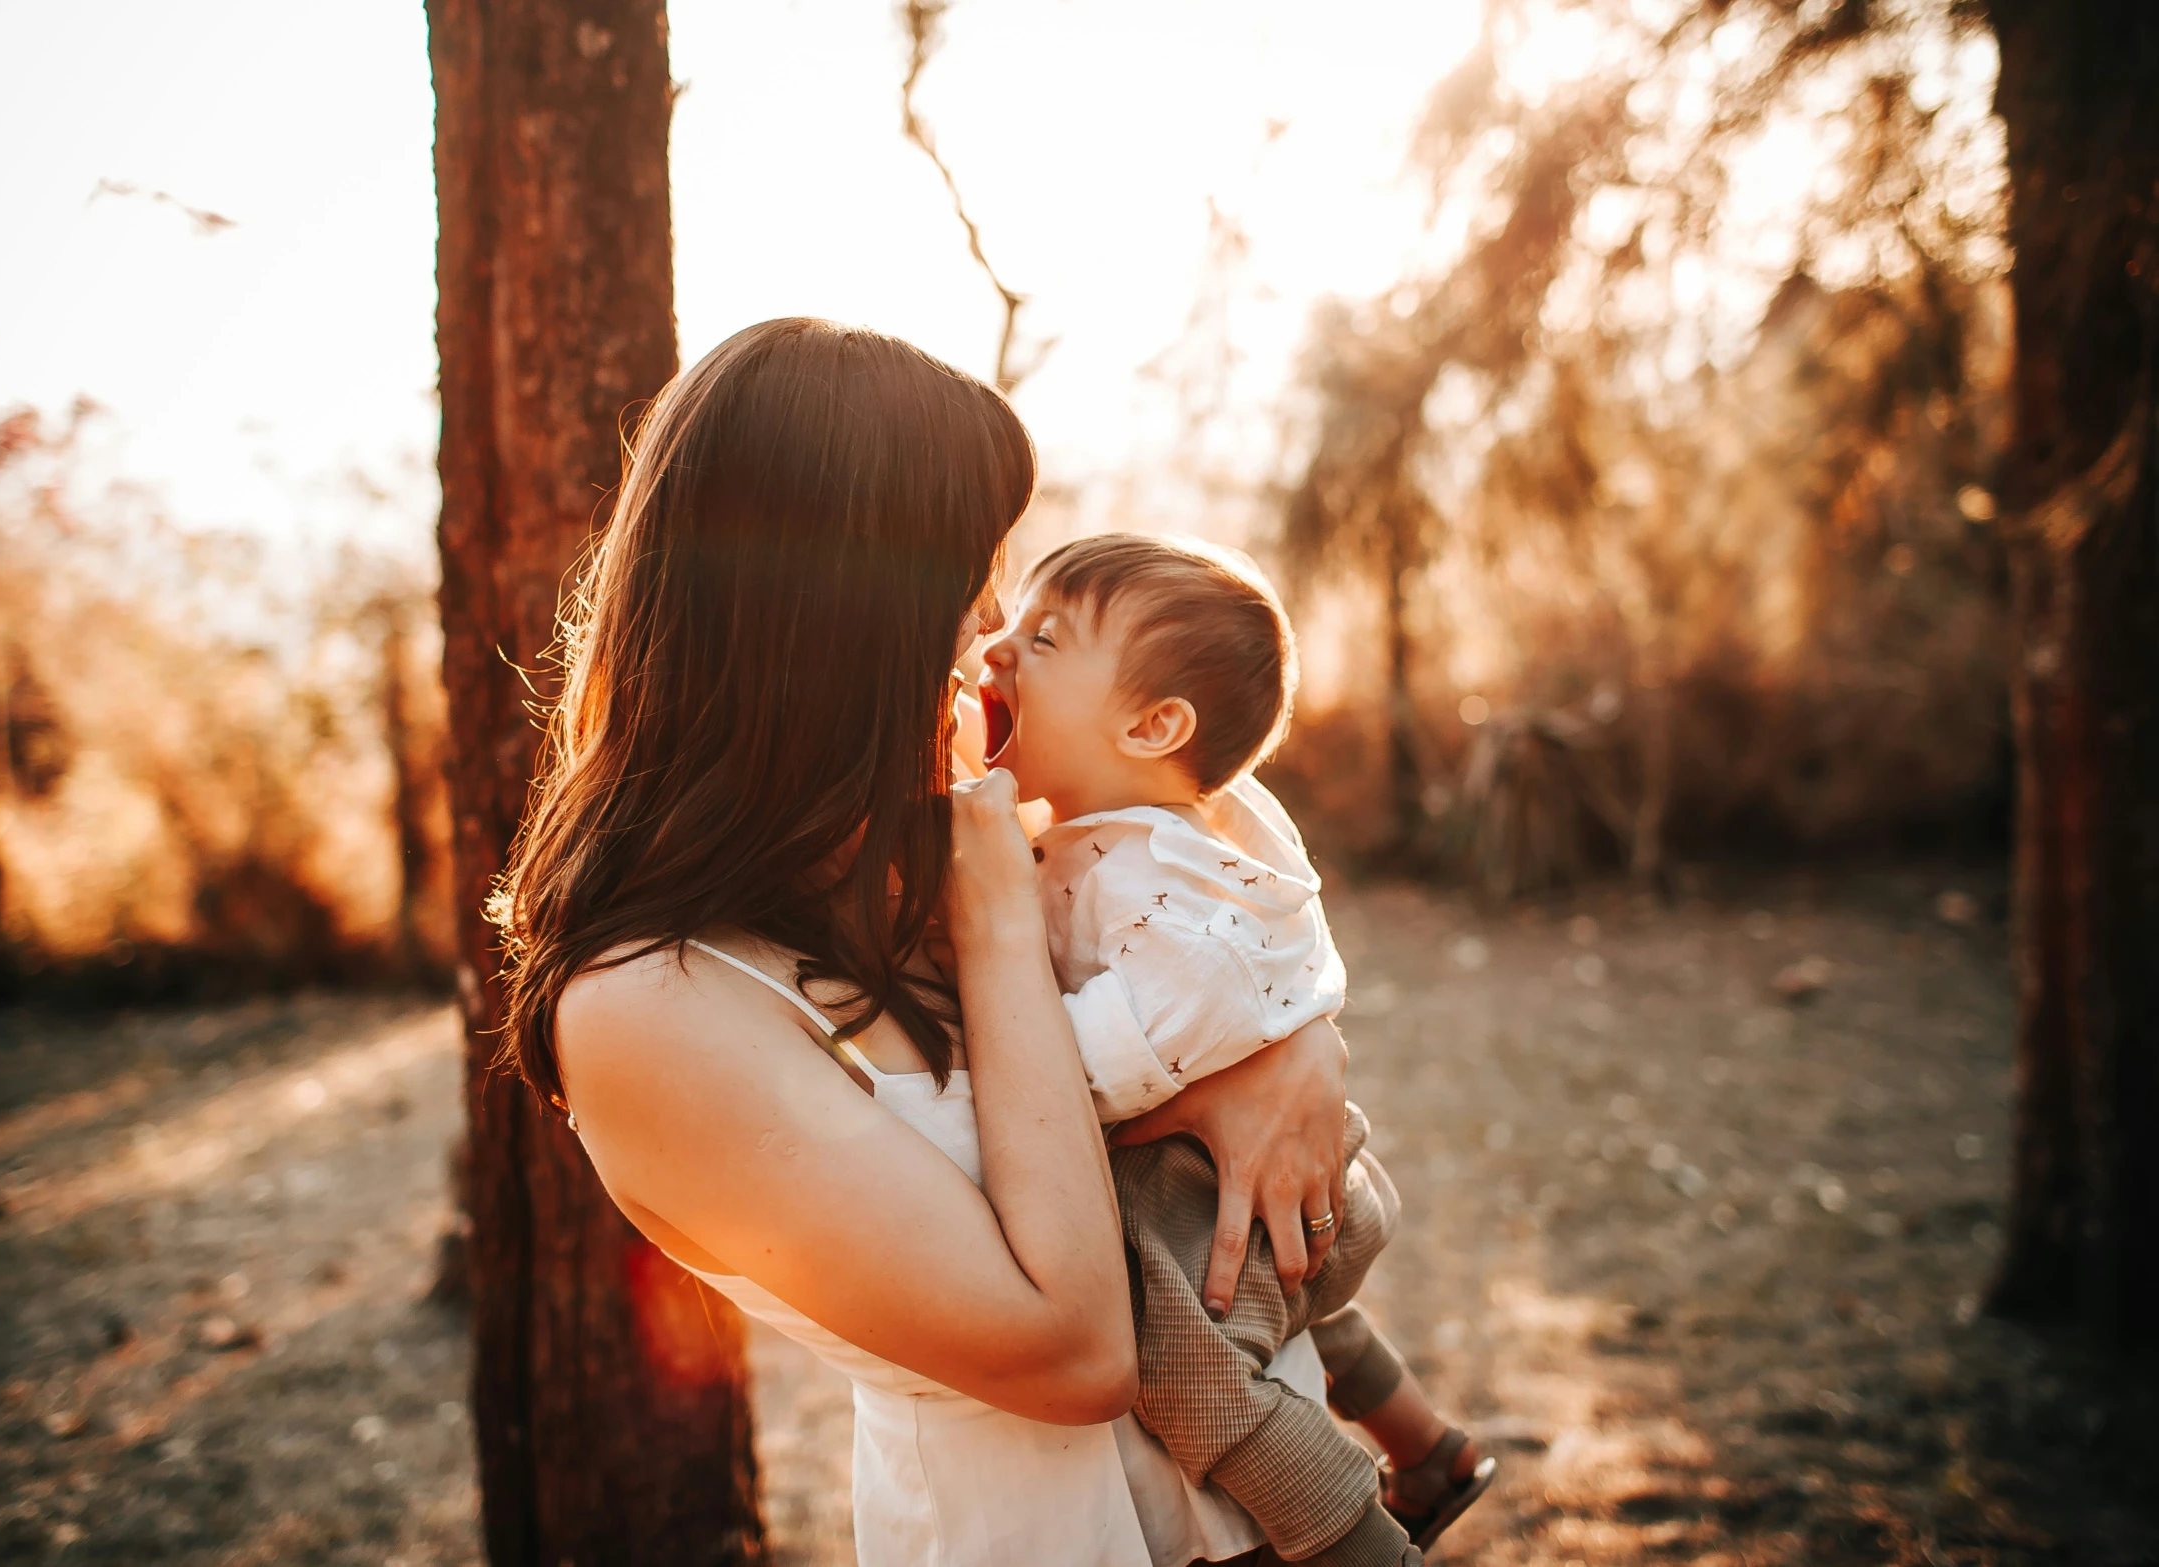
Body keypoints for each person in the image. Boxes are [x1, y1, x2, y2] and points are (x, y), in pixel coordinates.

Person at [491, 318, 1356, 1566]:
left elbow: (1209, 884)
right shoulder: (649, 1009)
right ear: (844, 616)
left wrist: (1298, 1048)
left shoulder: (891, 841)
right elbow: (1075, 1351)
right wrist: (996, 910)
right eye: (975, 576)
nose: (996, 625)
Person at [978, 533, 1495, 1563]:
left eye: (1039, 637)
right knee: (1262, 1302)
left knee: (1181, 1359)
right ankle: (1425, 1446)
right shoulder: (1148, 831)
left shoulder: (1163, 895)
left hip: (1238, 1180)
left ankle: (1359, 1544)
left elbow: (1080, 1078)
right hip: (1275, 1186)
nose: (993, 648)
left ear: (1153, 723)